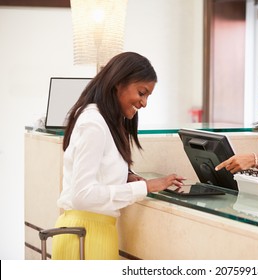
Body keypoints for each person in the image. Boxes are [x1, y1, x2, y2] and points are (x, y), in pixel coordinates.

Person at [52, 52, 185, 260]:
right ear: (118, 83)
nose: (144, 103)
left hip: (94, 234)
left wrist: (125, 176)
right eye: (142, 93)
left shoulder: (104, 122)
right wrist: (145, 187)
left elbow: (97, 175)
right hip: (86, 236)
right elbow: (82, 196)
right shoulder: (94, 124)